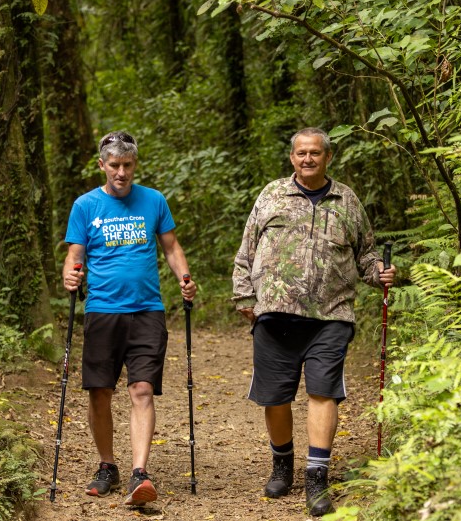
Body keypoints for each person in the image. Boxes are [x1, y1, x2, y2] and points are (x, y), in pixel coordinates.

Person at [232, 127, 396, 516]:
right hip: (275, 313)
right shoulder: (271, 195)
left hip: (331, 315)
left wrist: (381, 273)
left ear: (328, 158)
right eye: (301, 153)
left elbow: (367, 255)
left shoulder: (347, 200)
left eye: (315, 153)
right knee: (275, 396)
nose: (308, 159)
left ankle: (317, 476)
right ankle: (282, 464)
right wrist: (244, 295)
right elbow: (246, 250)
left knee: (324, 391)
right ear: (292, 158)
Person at [62, 130, 197, 507]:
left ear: (135, 164)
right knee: (100, 391)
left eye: (127, 165)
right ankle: (107, 465)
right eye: (114, 165)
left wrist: (184, 278)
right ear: (102, 164)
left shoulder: (153, 200)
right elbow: (75, 253)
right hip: (103, 311)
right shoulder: (85, 205)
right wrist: (70, 274)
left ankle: (140, 473)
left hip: (147, 311)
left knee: (141, 390)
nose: (121, 172)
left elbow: (170, 247)